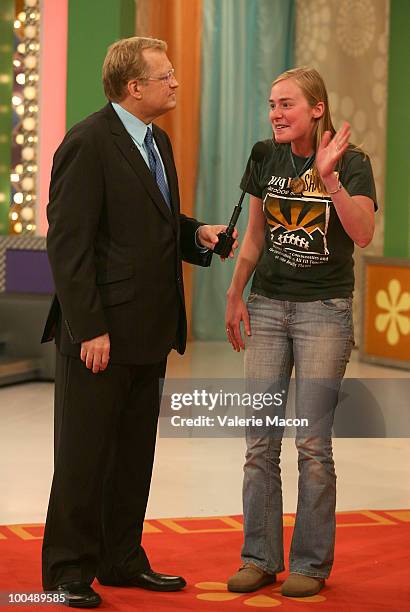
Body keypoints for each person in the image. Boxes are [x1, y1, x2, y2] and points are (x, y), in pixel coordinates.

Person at [41, 36, 237, 609]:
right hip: (100, 335)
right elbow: (69, 245)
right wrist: (90, 327)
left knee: (132, 457)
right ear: (134, 87)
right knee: (83, 458)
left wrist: (193, 233)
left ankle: (121, 560)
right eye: (166, 75)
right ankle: (66, 573)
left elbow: (146, 220)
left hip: (149, 331)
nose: (175, 83)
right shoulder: (86, 142)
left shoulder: (157, 141)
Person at [225, 67, 376, 598]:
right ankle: (259, 558)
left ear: (317, 108)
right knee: (259, 442)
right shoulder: (265, 156)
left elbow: (361, 233)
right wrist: (234, 293)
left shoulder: (352, 163)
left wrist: (330, 177)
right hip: (267, 306)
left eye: (287, 104)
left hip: (324, 312)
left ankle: (310, 564)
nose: (276, 114)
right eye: (271, 105)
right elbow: (254, 237)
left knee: (312, 444)